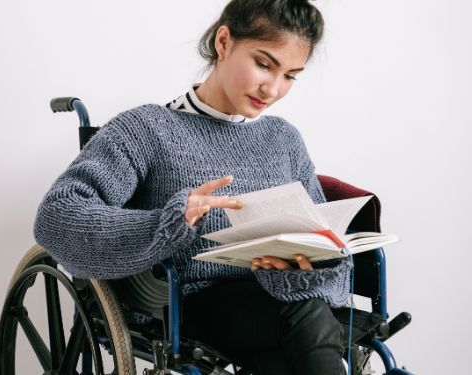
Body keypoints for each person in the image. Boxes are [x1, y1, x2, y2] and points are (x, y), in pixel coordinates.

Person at [33, 0, 351, 374]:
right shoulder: (146, 129)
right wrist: (168, 223)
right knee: (305, 317)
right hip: (192, 302)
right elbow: (57, 216)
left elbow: (319, 235)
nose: (273, 89)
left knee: (286, 351)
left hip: (278, 304)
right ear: (224, 41)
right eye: (264, 64)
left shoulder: (283, 138)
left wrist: (305, 262)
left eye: (290, 76)